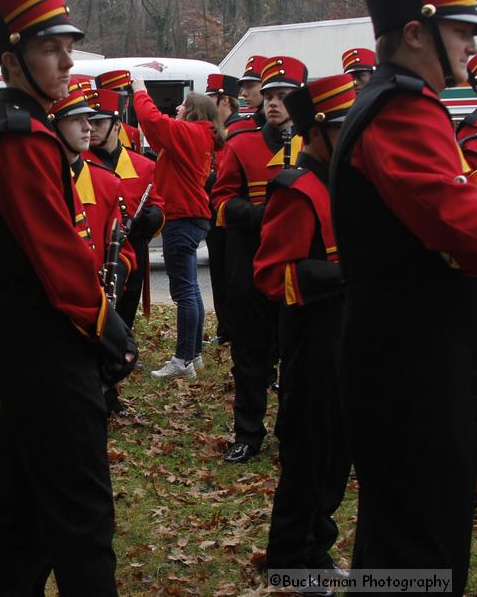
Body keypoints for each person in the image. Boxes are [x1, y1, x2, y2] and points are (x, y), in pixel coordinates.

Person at [0, 0, 137, 594]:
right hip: (46, 351)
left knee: (23, 519)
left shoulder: (20, 128)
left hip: (31, 350)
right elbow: (57, 256)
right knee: (82, 522)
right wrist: (107, 329)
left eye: (69, 47)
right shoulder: (20, 136)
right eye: (50, 50)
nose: (67, 62)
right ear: (12, 62)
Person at [329, 0, 477, 594]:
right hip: (412, 357)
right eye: (461, 30)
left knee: (406, 532)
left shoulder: (404, 103)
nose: (472, 44)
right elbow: (459, 220)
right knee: (420, 537)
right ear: (418, 31)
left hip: (409, 348)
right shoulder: (401, 110)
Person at [254, 74, 354, 582]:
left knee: (339, 453)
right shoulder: (296, 189)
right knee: (310, 455)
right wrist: (348, 273)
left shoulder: (346, 183)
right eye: (343, 126)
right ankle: (290, 560)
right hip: (311, 341)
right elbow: (273, 273)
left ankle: (318, 547)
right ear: (317, 131)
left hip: (347, 338)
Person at [211, 56, 307, 463]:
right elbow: (219, 199)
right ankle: (248, 432)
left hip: (301, 271)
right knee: (249, 358)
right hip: (251, 267)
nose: (273, 103)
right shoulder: (242, 144)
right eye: (268, 95)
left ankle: (292, 431)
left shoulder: (315, 145)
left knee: (298, 360)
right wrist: (254, 215)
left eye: (283, 96)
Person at [50, 87, 146, 417]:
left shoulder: (107, 183)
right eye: (76, 121)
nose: (87, 128)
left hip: (97, 301)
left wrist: (117, 271)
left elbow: (124, 248)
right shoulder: (39, 181)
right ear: (54, 126)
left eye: (89, 120)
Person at [133, 83, 223, 379]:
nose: (177, 109)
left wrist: (139, 90)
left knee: (183, 290)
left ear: (194, 111)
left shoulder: (193, 133)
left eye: (182, 107)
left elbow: (153, 121)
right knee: (192, 289)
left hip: (182, 218)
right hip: (192, 217)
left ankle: (182, 359)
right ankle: (193, 355)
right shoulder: (200, 136)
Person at [85, 88, 164, 330]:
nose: (91, 129)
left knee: (125, 317)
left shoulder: (144, 166)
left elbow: (159, 205)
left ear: (117, 125)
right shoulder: (79, 163)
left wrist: (152, 217)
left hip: (134, 251)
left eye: (98, 123)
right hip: (95, 252)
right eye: (88, 122)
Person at [204, 74, 244, 348]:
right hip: (216, 213)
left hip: (230, 216)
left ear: (224, 100)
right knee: (219, 274)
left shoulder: (238, 132)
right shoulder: (219, 131)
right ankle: (225, 327)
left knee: (229, 275)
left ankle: (231, 327)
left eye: (211, 99)